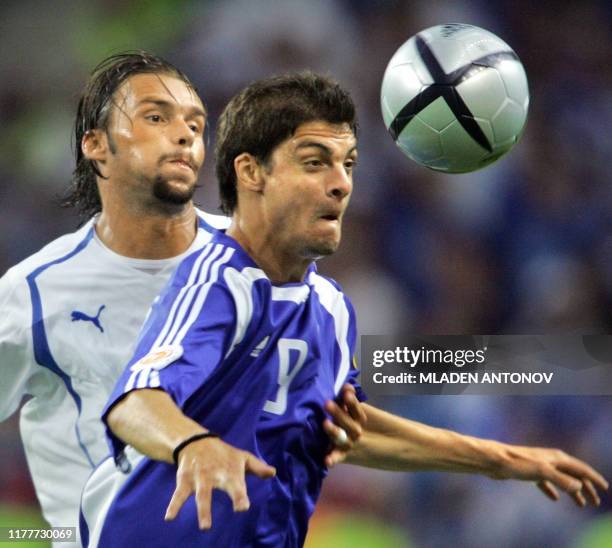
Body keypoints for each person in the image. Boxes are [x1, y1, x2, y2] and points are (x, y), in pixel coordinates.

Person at [80, 72, 608, 547]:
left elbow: (340, 430)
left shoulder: (330, 309)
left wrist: (503, 459)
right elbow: (136, 401)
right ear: (251, 172)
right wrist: (193, 443)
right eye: (315, 162)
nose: (341, 184)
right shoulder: (220, 281)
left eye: (348, 164)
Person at [0, 51, 231, 542]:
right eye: (155, 117)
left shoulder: (257, 261)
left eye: (196, 123)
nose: (186, 134)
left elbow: (348, 379)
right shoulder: (35, 292)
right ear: (96, 144)